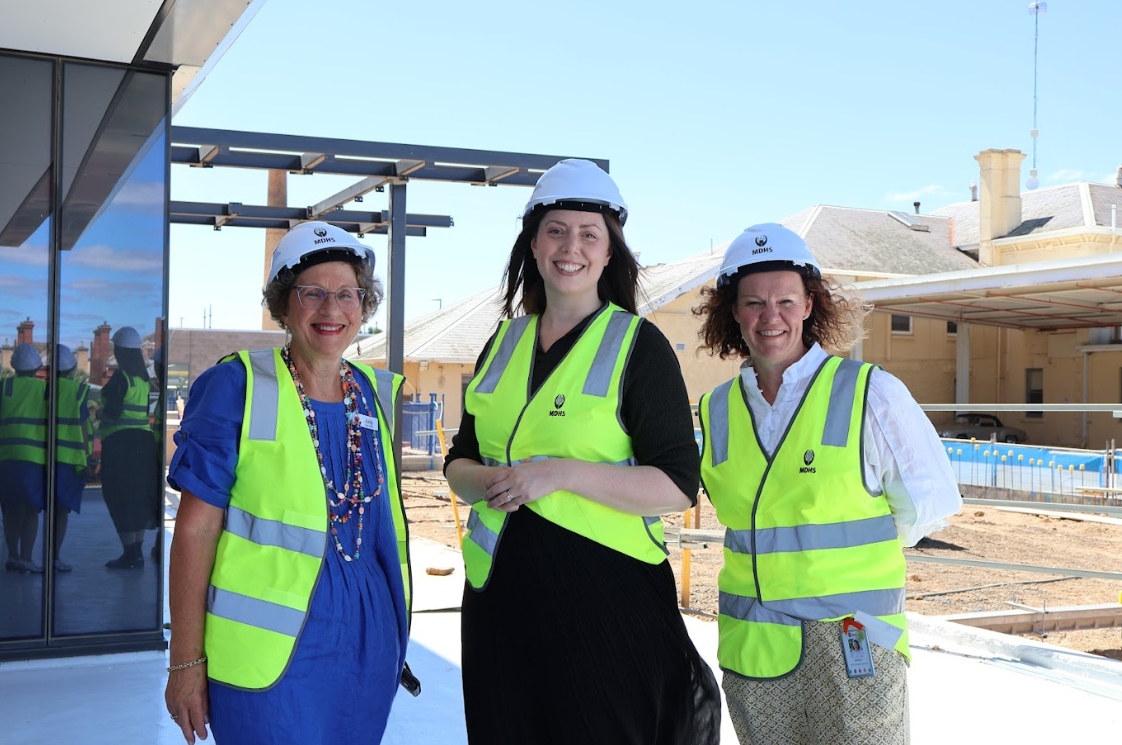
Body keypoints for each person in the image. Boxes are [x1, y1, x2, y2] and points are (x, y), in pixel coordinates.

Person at [446, 159, 721, 745]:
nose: (571, 247)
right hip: (501, 599)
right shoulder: (503, 341)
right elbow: (460, 461)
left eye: (589, 233)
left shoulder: (637, 345)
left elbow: (676, 484)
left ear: (609, 251)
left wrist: (560, 474)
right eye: (556, 230)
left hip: (605, 600)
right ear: (534, 243)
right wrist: (489, 482)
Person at [694, 223, 963, 744]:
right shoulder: (715, 410)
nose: (770, 317)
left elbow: (926, 508)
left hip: (852, 643)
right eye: (753, 303)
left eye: (785, 301)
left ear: (810, 305)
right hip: (755, 650)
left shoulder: (872, 394)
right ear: (733, 312)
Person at [164, 221, 418, 745]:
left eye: (348, 294)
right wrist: (185, 660)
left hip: (370, 649)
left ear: (363, 306)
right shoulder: (236, 386)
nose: (332, 310)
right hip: (270, 656)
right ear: (284, 305)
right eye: (313, 294)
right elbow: (193, 532)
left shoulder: (374, 393)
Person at [99, 326, 160, 569]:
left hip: (120, 444)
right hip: (142, 444)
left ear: (120, 351)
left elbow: (113, 413)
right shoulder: (143, 379)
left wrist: (101, 411)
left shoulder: (120, 378)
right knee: (137, 497)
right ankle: (137, 553)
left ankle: (130, 553)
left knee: (120, 496)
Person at [0, 343, 47, 573]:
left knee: (11, 510)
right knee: (30, 511)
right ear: (37, 367)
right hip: (34, 460)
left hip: (6, 458)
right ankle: (26, 558)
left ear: (14, 366)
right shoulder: (44, 390)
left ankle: (12, 556)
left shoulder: (3, 387)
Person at [53, 343, 92, 571]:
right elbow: (85, 427)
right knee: (61, 512)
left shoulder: (43, 390)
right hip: (69, 460)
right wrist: (86, 458)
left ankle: (24, 554)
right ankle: (55, 556)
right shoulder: (78, 391)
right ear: (70, 369)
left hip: (44, 458)